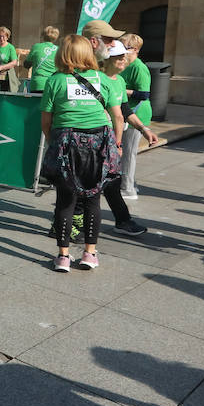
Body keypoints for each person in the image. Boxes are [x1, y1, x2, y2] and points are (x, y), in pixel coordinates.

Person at [41, 34, 121, 272]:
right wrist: (117, 144)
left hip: (66, 143)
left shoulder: (55, 80)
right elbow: (117, 116)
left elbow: (46, 121)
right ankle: (89, 253)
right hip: (98, 144)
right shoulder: (102, 78)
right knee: (93, 200)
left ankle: (63, 257)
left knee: (65, 201)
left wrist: (53, 142)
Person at [98, 41, 154, 236]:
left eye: (124, 55)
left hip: (110, 140)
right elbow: (115, 115)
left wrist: (143, 128)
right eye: (118, 56)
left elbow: (125, 110)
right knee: (88, 185)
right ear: (106, 59)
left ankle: (123, 220)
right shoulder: (96, 79)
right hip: (95, 139)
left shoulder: (120, 81)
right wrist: (117, 143)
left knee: (112, 182)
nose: (123, 59)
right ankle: (65, 224)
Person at [118, 33, 153, 199]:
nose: (122, 50)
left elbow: (144, 94)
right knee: (125, 152)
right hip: (126, 112)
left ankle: (128, 189)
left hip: (137, 113)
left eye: (125, 47)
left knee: (129, 153)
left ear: (136, 50)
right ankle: (127, 183)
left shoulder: (139, 67)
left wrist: (120, 90)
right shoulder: (124, 64)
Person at [24, 25, 60, 94]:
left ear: (43, 35)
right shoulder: (59, 50)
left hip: (37, 84)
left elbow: (26, 65)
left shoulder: (36, 47)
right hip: (53, 84)